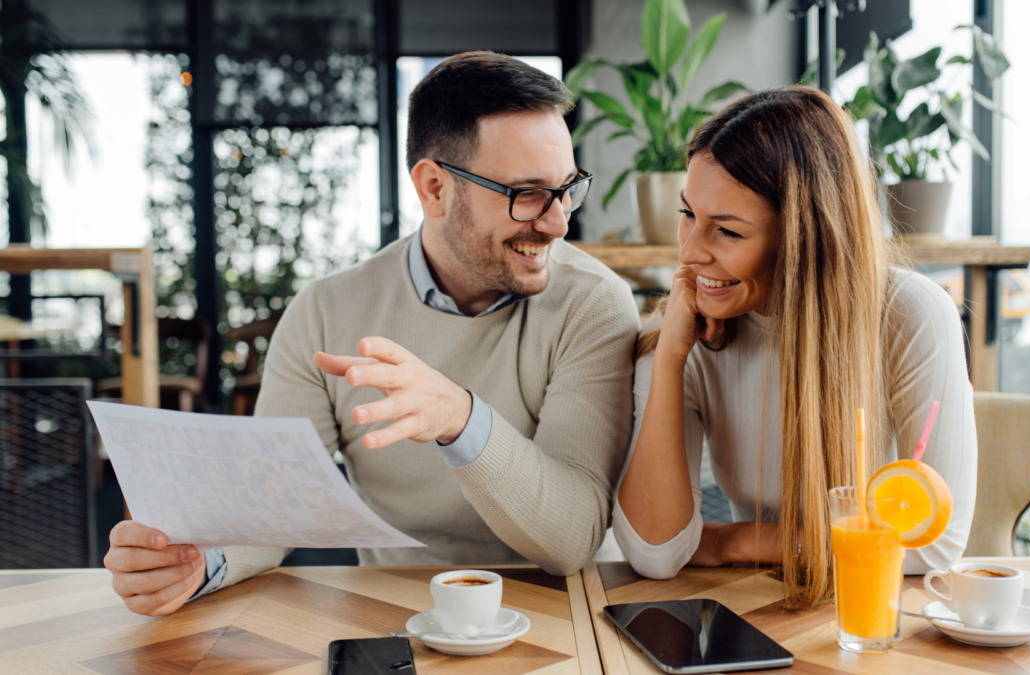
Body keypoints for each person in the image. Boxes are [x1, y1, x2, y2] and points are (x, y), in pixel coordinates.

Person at [104, 51, 640, 616]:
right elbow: (276, 502)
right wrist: (193, 561)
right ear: (434, 188)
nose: (558, 222)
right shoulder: (326, 312)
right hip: (394, 617)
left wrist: (459, 418)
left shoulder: (593, 304)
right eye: (527, 193)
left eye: (566, 189)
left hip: (563, 615)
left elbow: (571, 539)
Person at [613, 87, 977, 609]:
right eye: (688, 213)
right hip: (749, 607)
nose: (689, 252)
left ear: (803, 237)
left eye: (728, 231)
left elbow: (936, 541)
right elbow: (655, 553)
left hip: (874, 613)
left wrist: (734, 541)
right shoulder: (684, 328)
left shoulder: (910, 314)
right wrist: (669, 358)